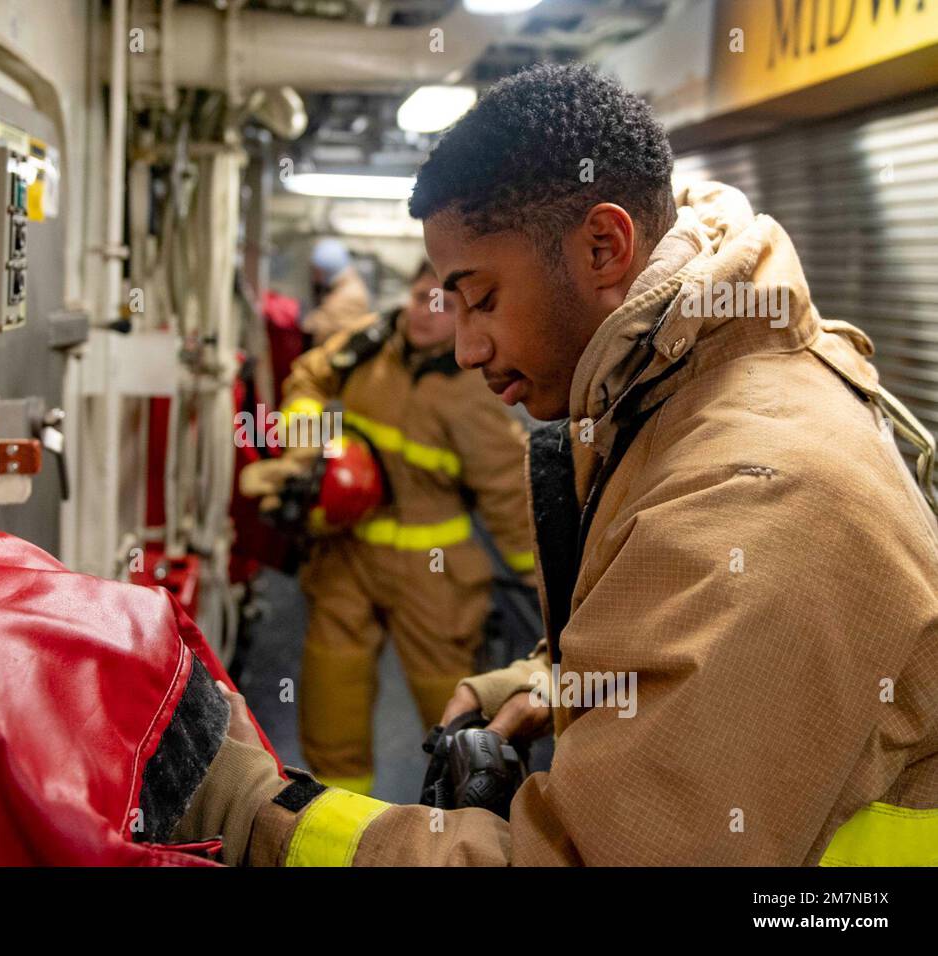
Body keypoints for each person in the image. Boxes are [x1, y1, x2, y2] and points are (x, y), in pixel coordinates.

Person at [170, 63, 938, 866]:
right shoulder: (664, 385)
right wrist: (572, 682)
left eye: (484, 297)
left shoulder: (758, 496)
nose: (467, 346)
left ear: (605, 246)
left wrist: (262, 817)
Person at [238, 261, 534, 795]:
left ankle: (459, 838)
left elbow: (509, 495)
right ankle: (337, 822)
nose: (426, 312)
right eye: (421, 297)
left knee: (456, 716)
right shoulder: (369, 345)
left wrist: (540, 587)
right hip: (345, 559)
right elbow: (307, 376)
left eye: (444, 304)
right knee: (331, 705)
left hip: (434, 578)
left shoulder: (474, 389)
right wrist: (307, 447)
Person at [300, 238, 373, 341]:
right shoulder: (345, 285)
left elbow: (315, 326)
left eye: (317, 271)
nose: (314, 278)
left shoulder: (349, 296)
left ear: (329, 269)